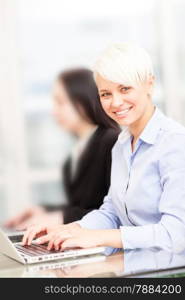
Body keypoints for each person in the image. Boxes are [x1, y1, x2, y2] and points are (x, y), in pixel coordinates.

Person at [22, 43, 185, 255]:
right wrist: (69, 229)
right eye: (106, 94)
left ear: (149, 85)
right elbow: (111, 212)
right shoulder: (122, 144)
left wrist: (96, 237)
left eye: (125, 89)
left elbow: (176, 234)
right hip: (134, 266)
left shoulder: (175, 144)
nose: (116, 102)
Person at [5, 68, 120, 230]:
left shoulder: (112, 142)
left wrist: (61, 217)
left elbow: (116, 213)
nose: (54, 111)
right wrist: (45, 210)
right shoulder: (72, 160)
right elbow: (82, 206)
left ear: (82, 99)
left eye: (60, 102)